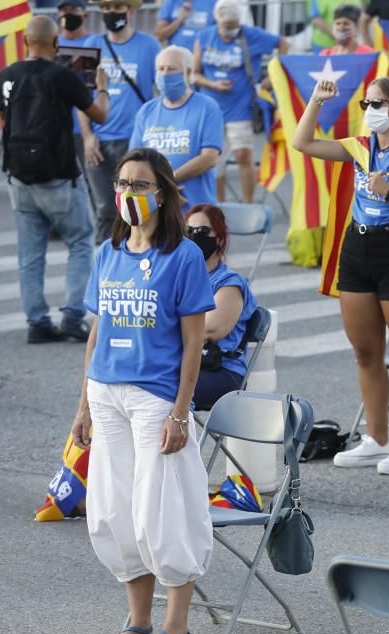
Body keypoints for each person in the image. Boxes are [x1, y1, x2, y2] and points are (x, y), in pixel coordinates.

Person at [70, 148, 215, 634]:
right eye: (123, 184)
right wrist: (83, 405)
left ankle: (177, 627)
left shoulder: (184, 257)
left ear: (164, 193)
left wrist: (180, 411)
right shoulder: (109, 252)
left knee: (163, 511)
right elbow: (97, 332)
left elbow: (194, 343)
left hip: (155, 397)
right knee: (113, 512)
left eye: (140, 184)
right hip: (105, 394)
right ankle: (138, 622)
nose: (129, 193)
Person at [292, 77, 389, 475]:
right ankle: (376, 439)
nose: (369, 110)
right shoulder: (362, 148)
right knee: (365, 351)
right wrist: (316, 101)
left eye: (375, 103)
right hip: (357, 249)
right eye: (365, 104)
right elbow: (302, 143)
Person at [0, 16, 109, 343]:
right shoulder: (64, 75)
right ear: (56, 44)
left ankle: (37, 322)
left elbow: (6, 120)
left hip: (19, 179)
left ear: (26, 42)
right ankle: (73, 315)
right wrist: (101, 86)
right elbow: (100, 114)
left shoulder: (7, 75)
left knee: (29, 253)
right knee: (80, 241)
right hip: (59, 177)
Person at [193, 0, 289, 204]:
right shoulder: (204, 37)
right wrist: (213, 84)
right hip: (211, 108)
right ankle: (217, 206)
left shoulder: (250, 34)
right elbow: (194, 75)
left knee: (244, 155)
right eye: (227, 26)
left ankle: (248, 204)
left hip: (241, 107)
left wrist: (271, 79)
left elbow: (284, 44)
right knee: (213, 161)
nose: (231, 30)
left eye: (235, 25)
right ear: (217, 20)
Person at [82, 0, 161, 245]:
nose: (110, 13)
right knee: (105, 211)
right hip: (99, 141)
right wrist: (87, 136)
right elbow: (82, 97)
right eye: (105, 9)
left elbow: (161, 91)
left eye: (116, 7)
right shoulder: (92, 45)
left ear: (131, 10)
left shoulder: (149, 45)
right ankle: (105, 268)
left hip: (134, 141)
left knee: (136, 209)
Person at [130, 46, 224, 213]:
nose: (165, 74)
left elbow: (209, 158)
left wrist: (167, 182)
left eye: (172, 69)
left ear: (188, 73)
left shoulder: (207, 107)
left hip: (196, 211)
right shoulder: (146, 111)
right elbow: (134, 161)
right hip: (155, 210)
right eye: (161, 69)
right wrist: (161, 188)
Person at [185, 204, 259, 409]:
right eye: (189, 231)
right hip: (182, 363)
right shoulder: (181, 278)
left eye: (202, 231)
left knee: (159, 389)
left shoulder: (229, 283)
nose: (194, 236)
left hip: (220, 371)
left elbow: (207, 330)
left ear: (220, 237)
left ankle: (176, 438)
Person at [57, 0, 93, 196]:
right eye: (64, 10)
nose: (68, 13)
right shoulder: (50, 44)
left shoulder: (94, 43)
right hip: (56, 126)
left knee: (89, 184)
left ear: (85, 15)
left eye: (74, 9)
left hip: (84, 128)